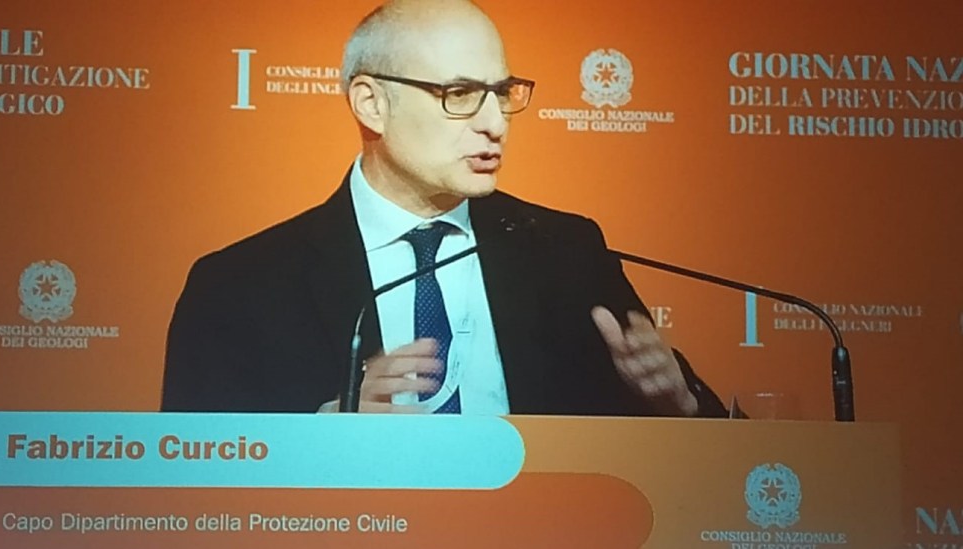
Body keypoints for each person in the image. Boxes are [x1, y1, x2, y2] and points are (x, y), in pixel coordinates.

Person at [162, 0, 726, 417]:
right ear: (372, 103)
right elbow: (194, 484)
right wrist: (321, 436)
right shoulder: (237, 286)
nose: (495, 123)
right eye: (460, 94)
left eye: (501, 93)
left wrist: (679, 402)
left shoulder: (564, 252)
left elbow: (700, 467)